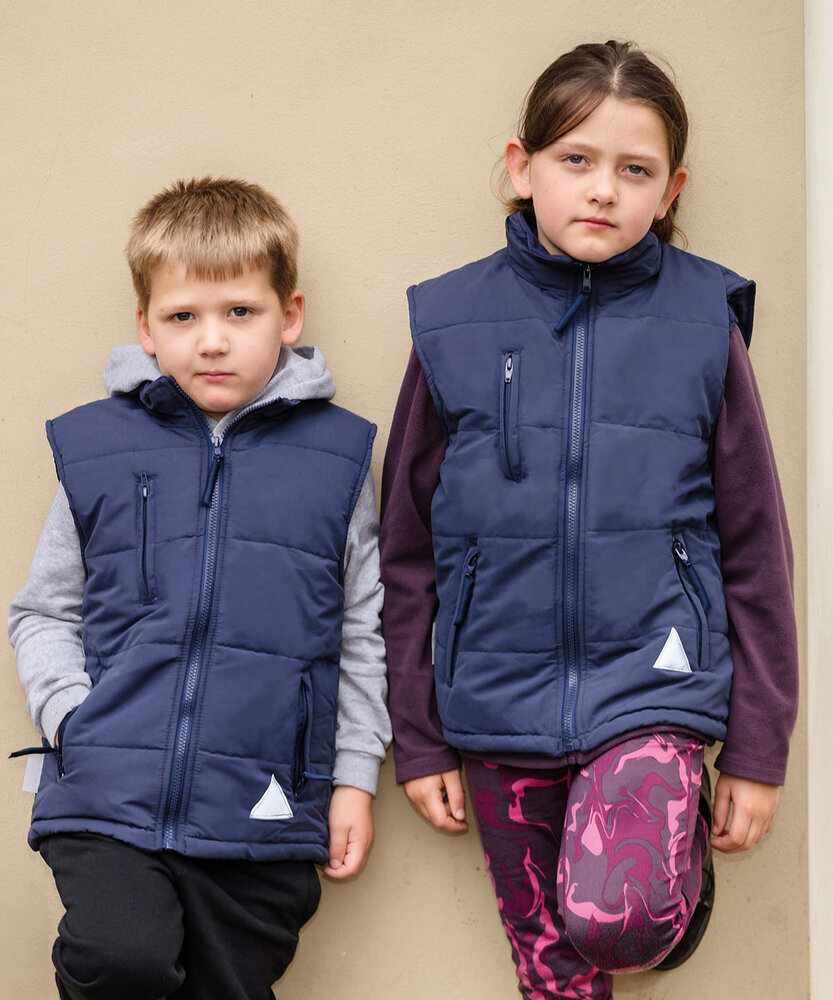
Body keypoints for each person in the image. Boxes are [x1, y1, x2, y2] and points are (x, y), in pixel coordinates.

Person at [380, 40, 798, 1000]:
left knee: (616, 920)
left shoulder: (703, 322)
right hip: (494, 700)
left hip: (655, 686)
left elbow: (754, 548)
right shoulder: (450, 323)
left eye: (634, 170)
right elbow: (406, 549)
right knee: (549, 968)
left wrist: (757, 747)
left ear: (671, 189)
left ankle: (664, 880)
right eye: (575, 159)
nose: (603, 189)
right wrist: (420, 734)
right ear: (521, 167)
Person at [9, 176, 391, 1000]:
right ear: (145, 326)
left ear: (289, 315)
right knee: (121, 956)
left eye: (239, 312)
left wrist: (353, 778)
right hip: (107, 791)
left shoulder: (336, 458)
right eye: (183, 317)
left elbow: (360, 632)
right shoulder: (98, 447)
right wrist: (73, 718)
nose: (211, 342)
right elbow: (45, 609)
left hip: (264, 800)